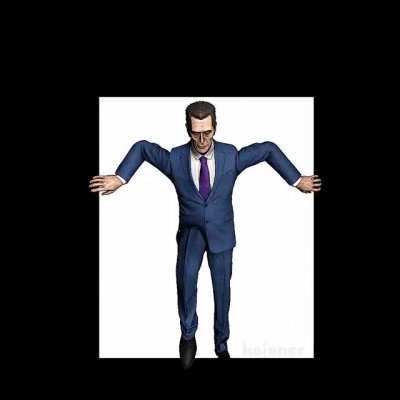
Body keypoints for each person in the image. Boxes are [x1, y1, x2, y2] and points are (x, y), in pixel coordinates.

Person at [89, 101, 321, 369]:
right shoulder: (175, 158)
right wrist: (120, 178)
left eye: (207, 132)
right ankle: (188, 337)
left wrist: (297, 180)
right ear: (187, 129)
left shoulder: (230, 155)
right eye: (196, 133)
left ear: (215, 128)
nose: (202, 140)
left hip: (222, 235)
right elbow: (142, 148)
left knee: (222, 292)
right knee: (186, 283)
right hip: (191, 235)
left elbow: (267, 149)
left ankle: (221, 344)